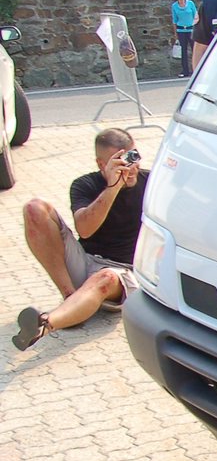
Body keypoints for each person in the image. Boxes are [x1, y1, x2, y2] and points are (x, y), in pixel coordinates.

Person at [13, 128, 147, 351]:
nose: (130, 167)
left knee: (103, 277)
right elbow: (84, 230)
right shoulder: (84, 184)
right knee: (34, 208)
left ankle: (46, 324)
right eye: (120, 162)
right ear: (101, 164)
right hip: (85, 260)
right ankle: (70, 298)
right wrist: (113, 188)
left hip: (123, 272)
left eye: (133, 157)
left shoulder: (151, 182)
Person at [170, 0, 197, 78]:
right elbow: (174, 20)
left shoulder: (190, 4)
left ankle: (196, 69)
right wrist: (175, 34)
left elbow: (196, 16)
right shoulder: (174, 6)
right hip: (181, 30)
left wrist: (196, 28)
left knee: (195, 50)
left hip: (191, 29)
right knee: (183, 51)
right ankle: (185, 71)